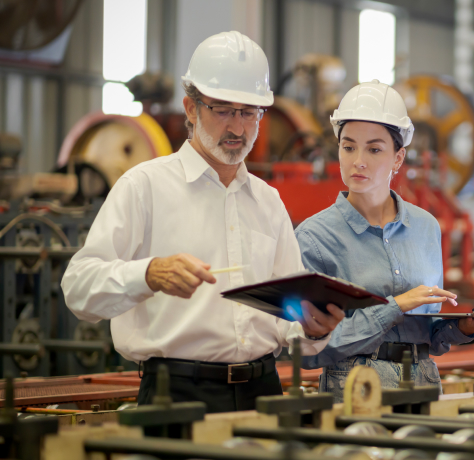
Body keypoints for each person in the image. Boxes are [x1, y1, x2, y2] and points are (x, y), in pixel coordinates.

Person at [61, 31, 344, 413]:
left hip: (262, 393)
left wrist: (311, 328)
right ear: (191, 109)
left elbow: (285, 319)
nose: (238, 129)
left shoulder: (267, 201)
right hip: (175, 396)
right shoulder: (144, 187)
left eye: (249, 113)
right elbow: (78, 288)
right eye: (223, 110)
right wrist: (148, 274)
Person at [294, 80, 474, 401]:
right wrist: (394, 307)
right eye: (349, 146)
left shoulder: (425, 227)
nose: (358, 161)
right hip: (356, 389)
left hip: (422, 381)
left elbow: (432, 332)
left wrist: (468, 326)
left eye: (374, 148)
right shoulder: (315, 237)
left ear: (398, 158)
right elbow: (308, 350)